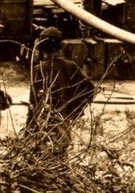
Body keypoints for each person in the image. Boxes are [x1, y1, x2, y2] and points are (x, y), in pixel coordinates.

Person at [28, 27, 95, 155]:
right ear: (60, 46)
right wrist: (73, 111)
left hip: (43, 123)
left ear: (41, 48)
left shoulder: (38, 69)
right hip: (63, 120)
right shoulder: (70, 66)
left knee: (44, 156)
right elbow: (89, 89)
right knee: (61, 153)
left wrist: (29, 129)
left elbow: (33, 102)